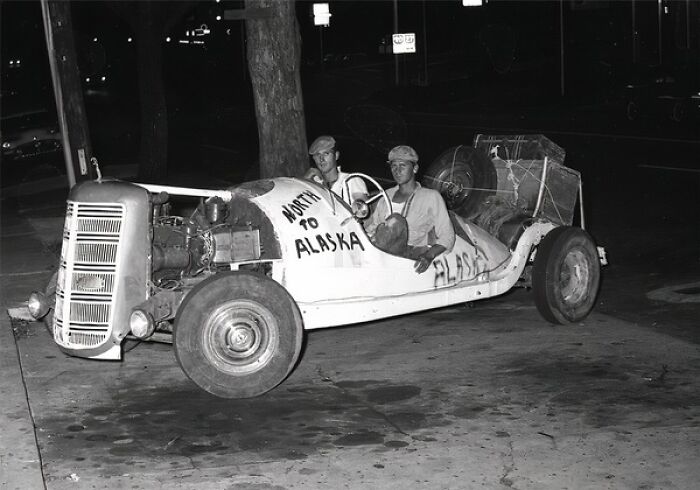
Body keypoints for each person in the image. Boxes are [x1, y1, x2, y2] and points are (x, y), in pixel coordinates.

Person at [366, 145, 455, 273]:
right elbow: (375, 227)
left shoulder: (431, 197)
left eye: (402, 165)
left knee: (396, 221)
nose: (397, 171)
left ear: (415, 168)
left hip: (409, 255)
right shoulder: (386, 195)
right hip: (382, 252)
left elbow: (447, 236)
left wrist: (429, 255)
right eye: (393, 166)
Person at [305, 135, 368, 204]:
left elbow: (363, 211)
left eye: (326, 154)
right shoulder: (313, 184)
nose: (321, 159)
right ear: (314, 159)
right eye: (317, 155)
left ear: (336, 156)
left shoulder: (351, 180)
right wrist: (305, 181)